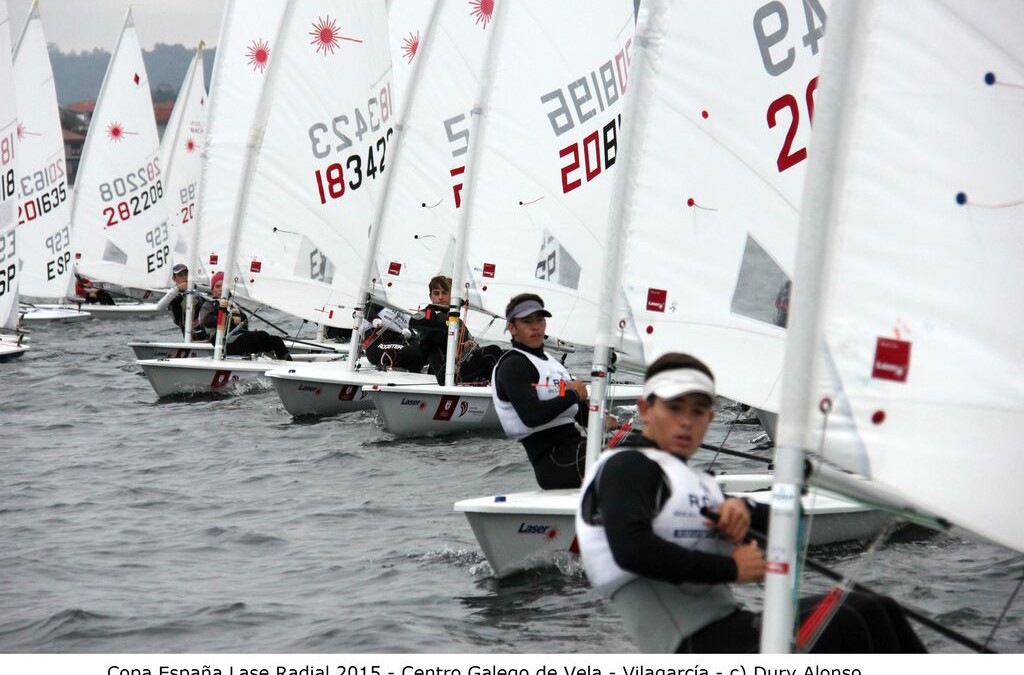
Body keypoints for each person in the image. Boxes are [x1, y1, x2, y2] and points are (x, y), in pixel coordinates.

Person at [576, 352, 927, 653]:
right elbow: (631, 550)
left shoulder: (694, 481)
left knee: (880, 609)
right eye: (674, 407)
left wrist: (744, 511)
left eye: (698, 410)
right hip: (691, 648)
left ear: (710, 418)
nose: (686, 420)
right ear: (645, 409)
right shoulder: (628, 465)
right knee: (849, 619)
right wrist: (731, 570)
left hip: (734, 628)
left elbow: (790, 525)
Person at [491, 293, 590, 489]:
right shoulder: (513, 365)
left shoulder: (551, 363)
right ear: (512, 328)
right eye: (527, 321)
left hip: (575, 447)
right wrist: (573, 395)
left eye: (539, 320)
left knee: (644, 445)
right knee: (630, 459)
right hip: (554, 462)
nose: (535, 326)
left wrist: (607, 422)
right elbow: (532, 415)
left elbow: (580, 414)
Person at [409, 275, 503, 385]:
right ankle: (505, 394)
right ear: (430, 296)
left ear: (452, 296)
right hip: (444, 375)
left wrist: (469, 346)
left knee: (504, 354)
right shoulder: (426, 316)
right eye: (436, 293)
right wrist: (454, 337)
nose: (440, 297)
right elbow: (417, 326)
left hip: (459, 370)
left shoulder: (457, 322)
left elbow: (473, 348)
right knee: (493, 351)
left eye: (444, 293)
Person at [198, 271, 292, 360]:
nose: (221, 289)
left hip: (237, 338)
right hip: (223, 342)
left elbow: (244, 323)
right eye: (218, 286)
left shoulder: (233, 305)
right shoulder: (209, 305)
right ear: (212, 290)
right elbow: (207, 320)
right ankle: (269, 357)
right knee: (261, 335)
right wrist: (230, 320)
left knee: (277, 340)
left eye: (224, 286)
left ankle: (288, 363)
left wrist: (240, 318)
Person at [358, 302, 426, 372]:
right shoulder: (384, 301)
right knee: (412, 353)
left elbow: (414, 340)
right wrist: (374, 318)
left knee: (423, 353)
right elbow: (368, 308)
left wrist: (410, 336)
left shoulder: (408, 315)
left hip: (397, 343)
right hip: (377, 344)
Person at [155, 264, 208, 340]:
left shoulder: (195, 289)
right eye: (180, 275)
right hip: (188, 333)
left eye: (186, 275)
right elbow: (159, 307)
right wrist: (177, 288)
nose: (184, 278)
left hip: (204, 330)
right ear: (174, 279)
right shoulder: (173, 294)